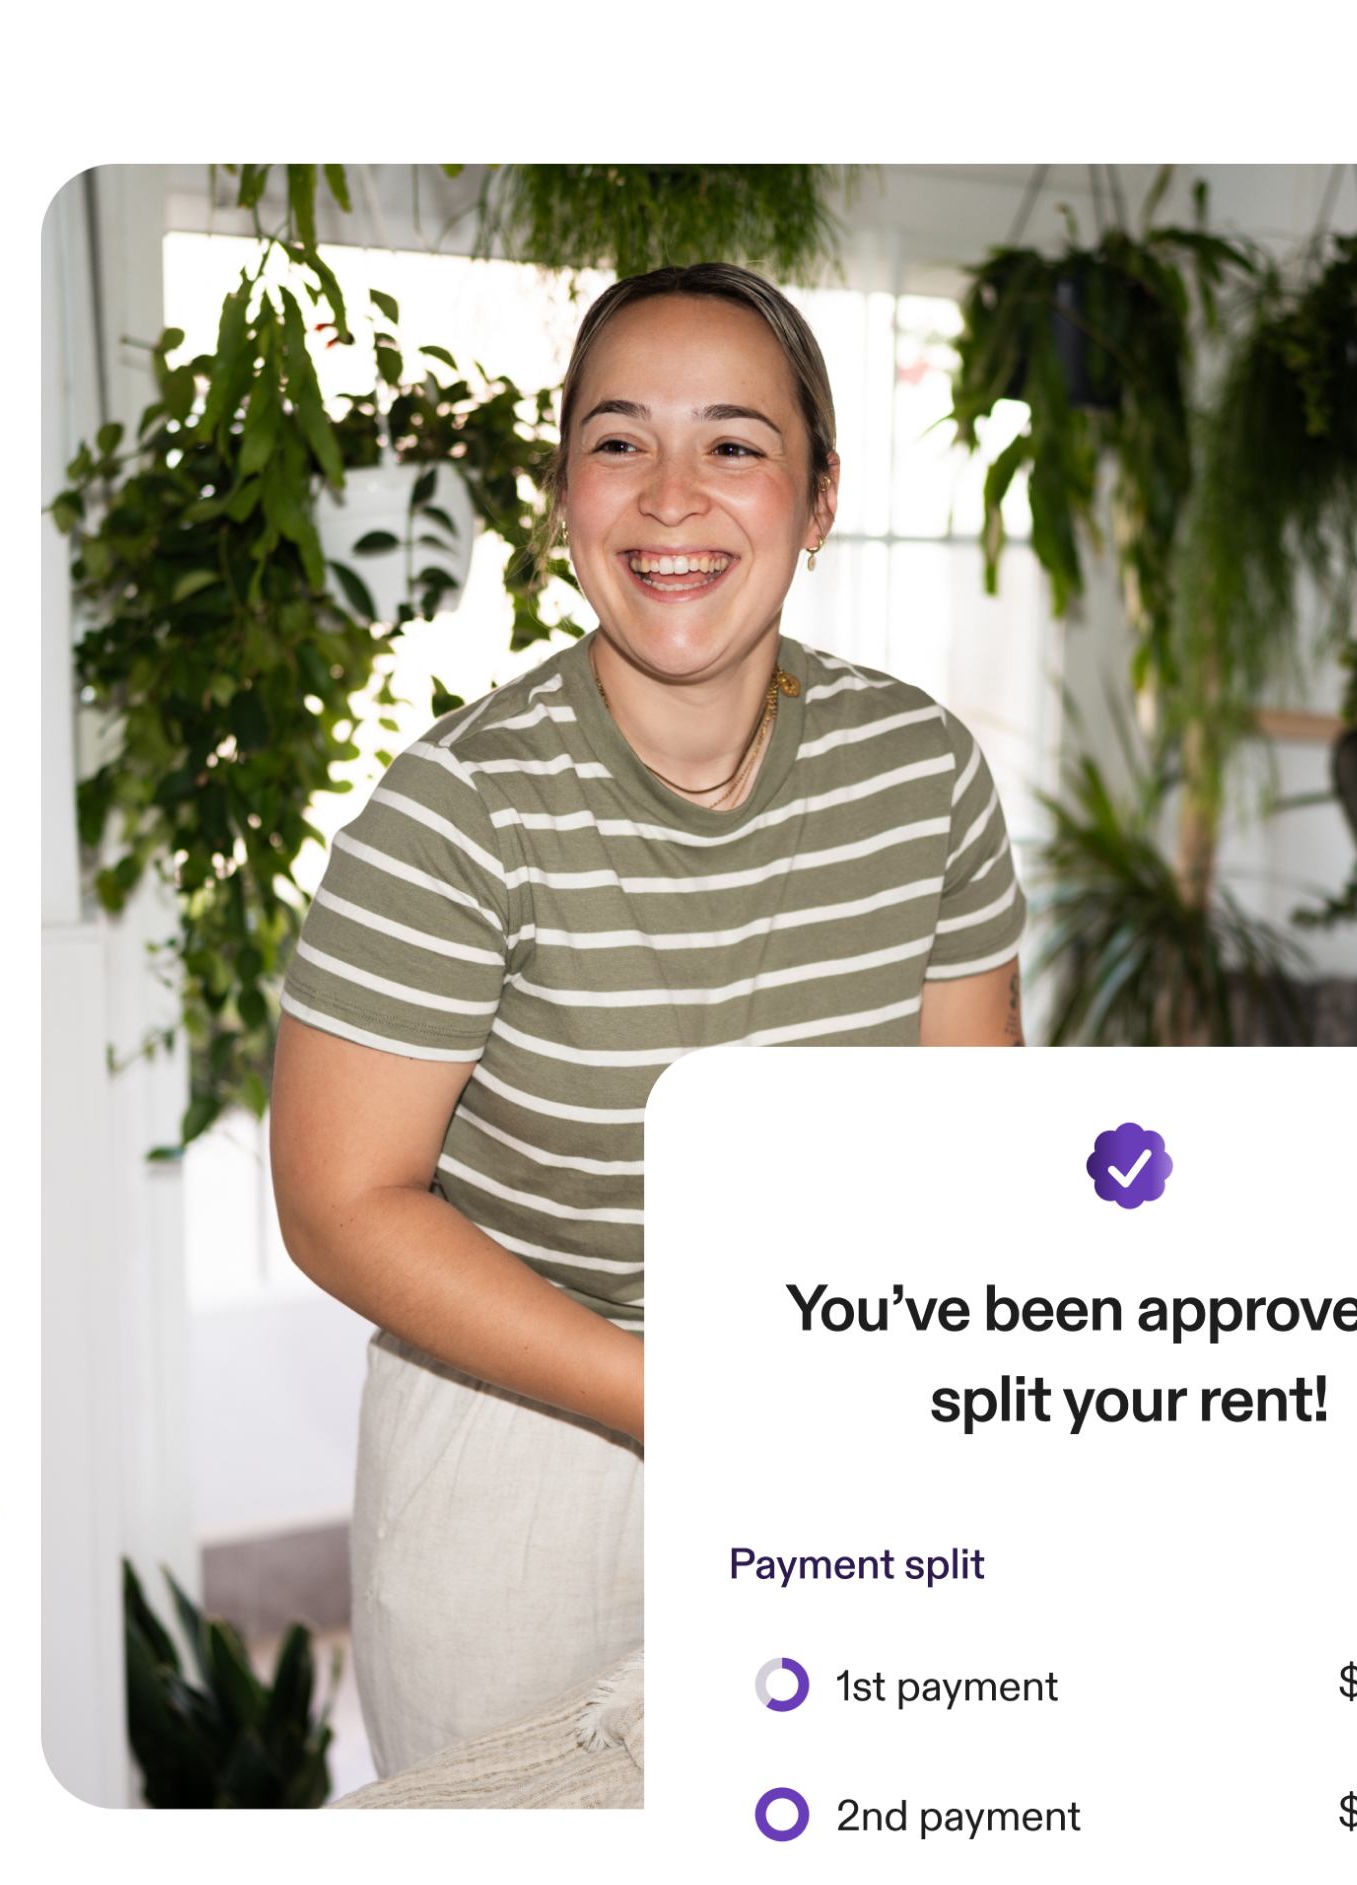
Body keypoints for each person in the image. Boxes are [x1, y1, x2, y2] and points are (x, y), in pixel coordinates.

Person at [269, 262, 1028, 1781]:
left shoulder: (923, 770)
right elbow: (340, 1204)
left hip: (832, 1393)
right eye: (619, 442)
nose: (672, 496)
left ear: (819, 499)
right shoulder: (454, 815)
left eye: (735, 444)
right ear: (567, 498)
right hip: (517, 1445)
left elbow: (971, 1134)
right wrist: (673, 1396)